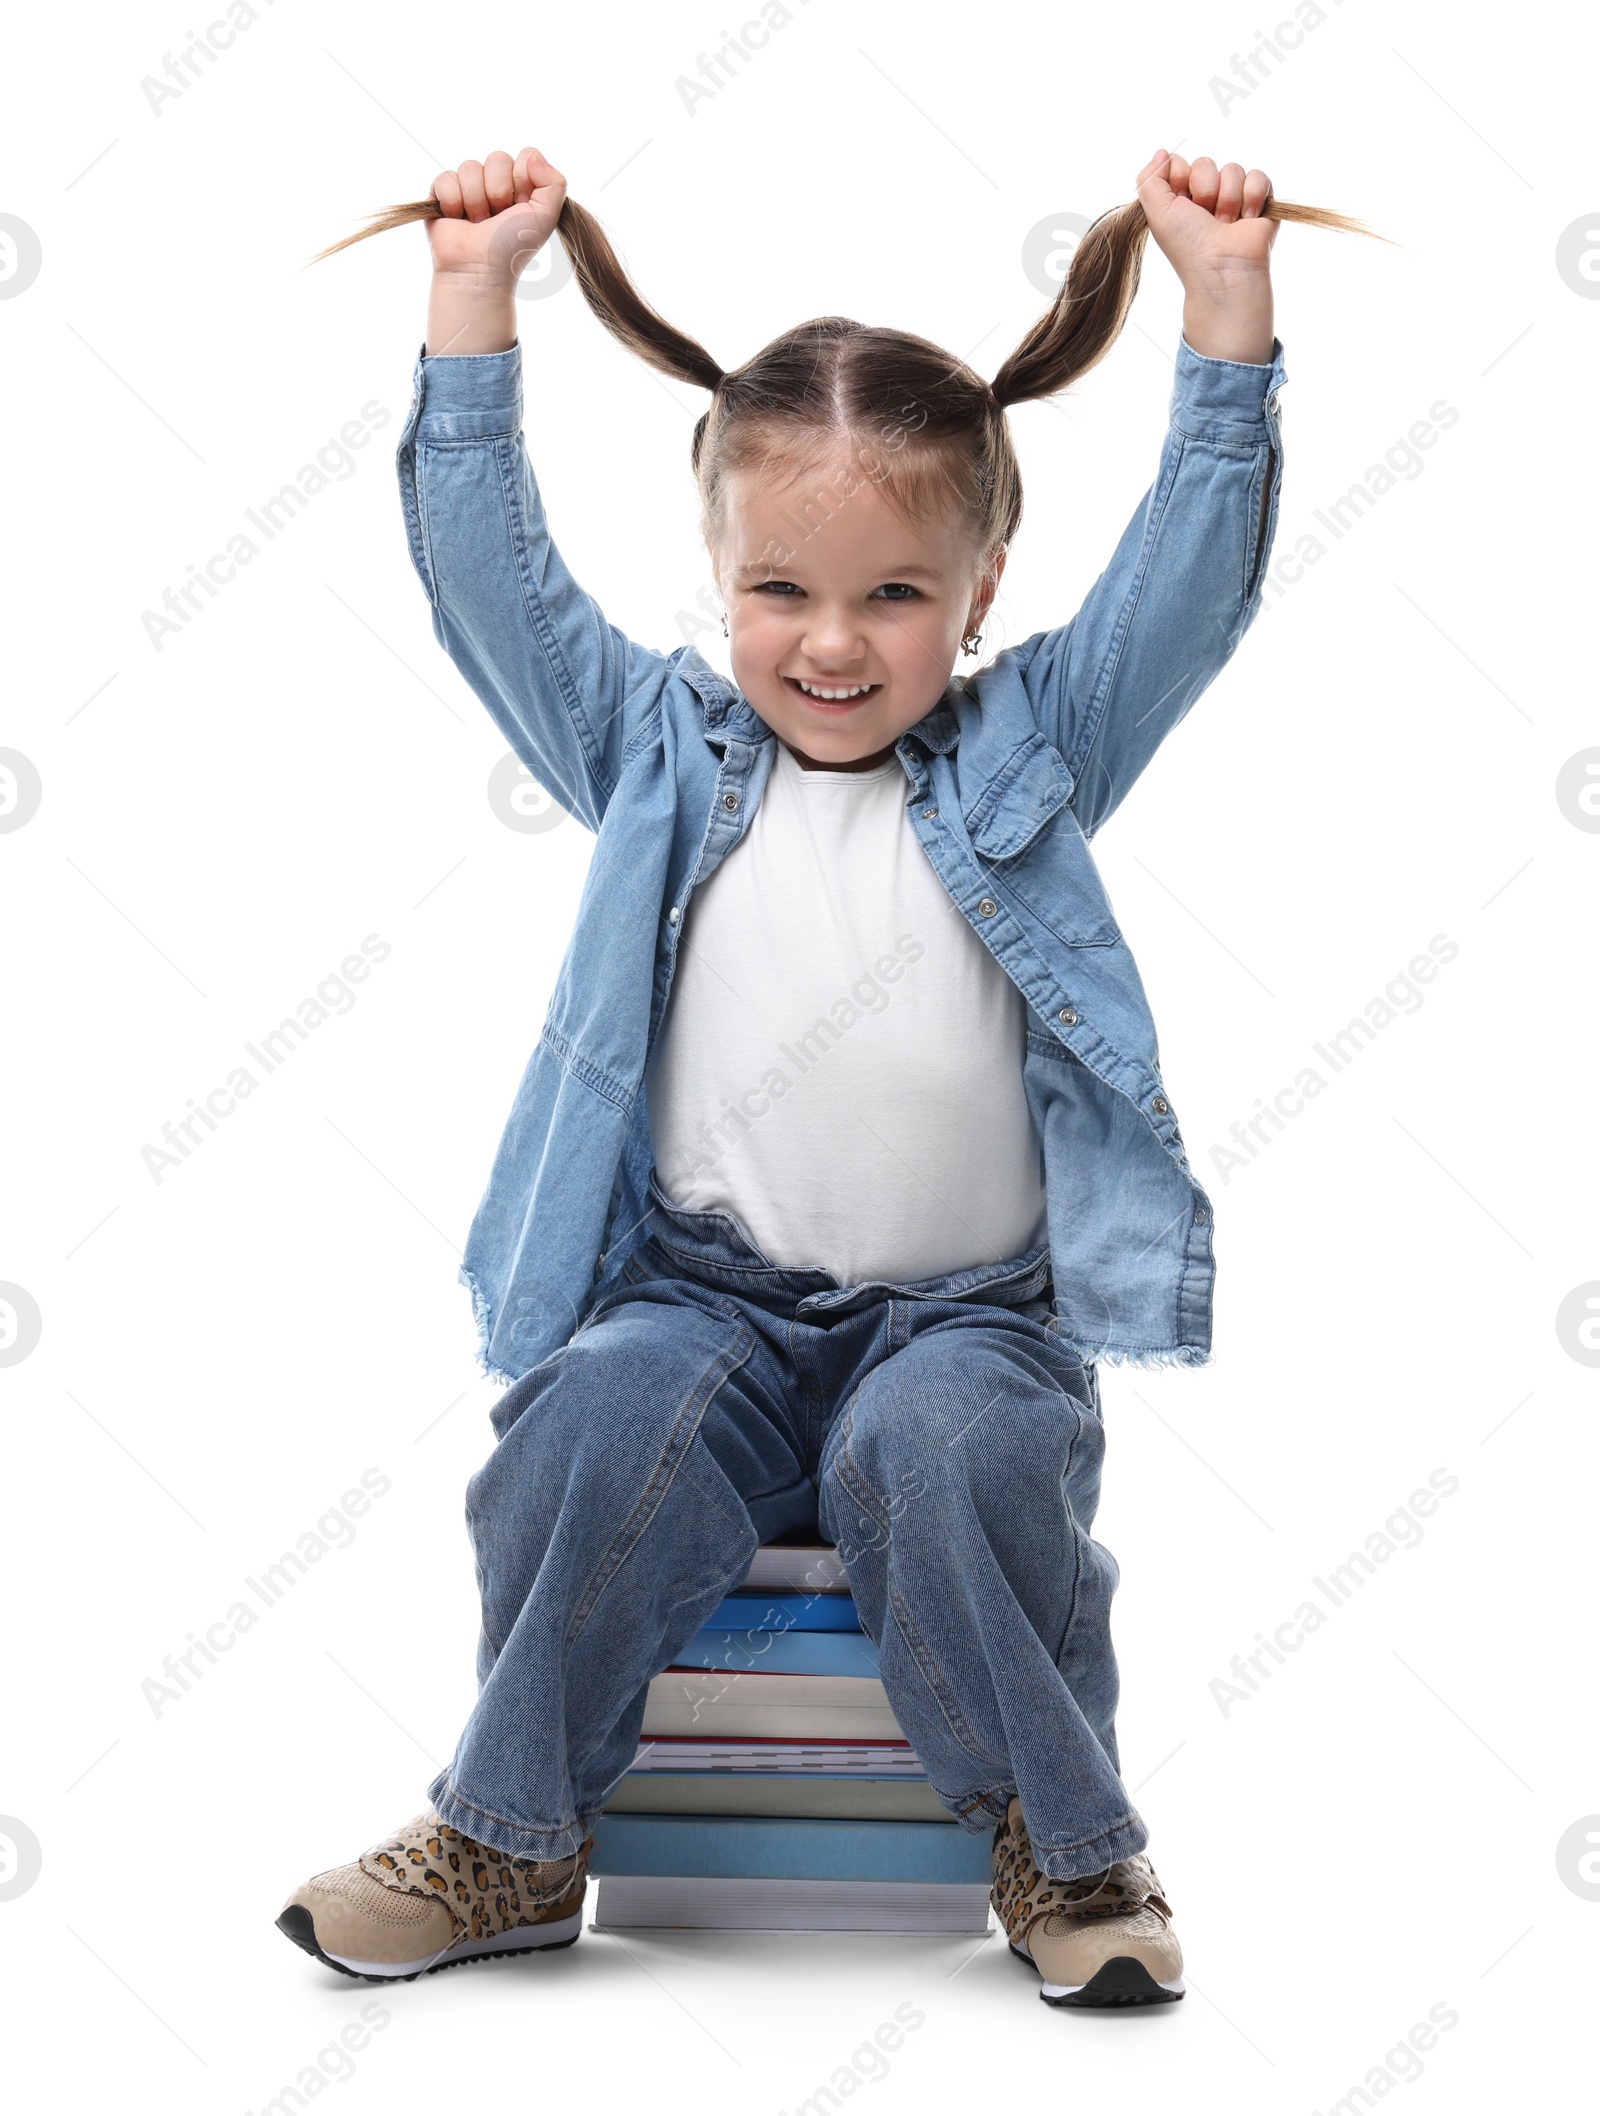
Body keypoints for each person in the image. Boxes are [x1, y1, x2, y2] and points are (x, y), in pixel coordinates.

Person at [279, 144, 1319, 2007]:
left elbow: (1192, 582)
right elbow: (480, 577)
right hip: (709, 1301)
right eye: (784, 590)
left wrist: (1225, 319)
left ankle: (1066, 1851)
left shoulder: (1041, 747)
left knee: (952, 1454)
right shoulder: (652, 750)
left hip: (968, 1322)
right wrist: (472, 305)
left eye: (898, 596)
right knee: (583, 1433)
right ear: (719, 573)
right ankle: (510, 1835)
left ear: (985, 585)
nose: (835, 646)